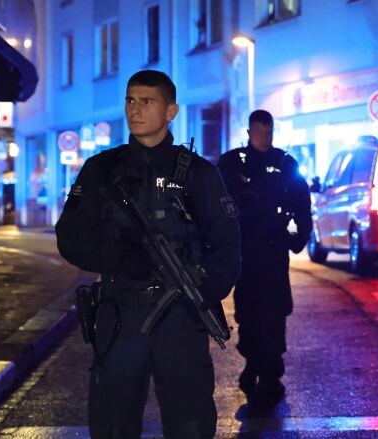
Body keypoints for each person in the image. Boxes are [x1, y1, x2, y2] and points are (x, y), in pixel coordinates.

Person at [55, 70, 241, 438]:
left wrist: (203, 293)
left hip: (181, 318)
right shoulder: (101, 169)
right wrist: (122, 258)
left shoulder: (198, 173)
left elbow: (228, 243)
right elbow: (70, 237)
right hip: (120, 313)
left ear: (170, 111)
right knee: (112, 423)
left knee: (190, 422)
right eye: (130, 100)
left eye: (147, 101)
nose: (134, 110)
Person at [217, 109, 312, 406]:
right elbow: (215, 204)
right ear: (249, 132)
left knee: (274, 313)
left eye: (268, 133)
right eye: (259, 133)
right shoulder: (232, 163)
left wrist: (298, 239)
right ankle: (253, 363)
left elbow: (302, 204)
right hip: (244, 253)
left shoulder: (284, 163)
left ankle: (270, 373)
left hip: (273, 251)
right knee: (247, 312)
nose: (263, 138)